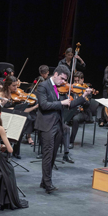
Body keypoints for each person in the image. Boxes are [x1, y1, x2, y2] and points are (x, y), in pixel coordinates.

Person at [35, 65, 91, 193]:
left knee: (53, 154)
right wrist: (61, 103)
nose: (63, 82)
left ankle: (44, 181)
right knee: (48, 154)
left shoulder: (59, 88)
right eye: (62, 78)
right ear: (55, 74)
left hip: (58, 125)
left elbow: (69, 105)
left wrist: (84, 96)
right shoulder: (43, 86)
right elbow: (43, 105)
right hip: (47, 125)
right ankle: (48, 184)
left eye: (65, 80)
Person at [0, 76, 39, 158]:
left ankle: (16, 151)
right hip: (3, 118)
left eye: (16, 85)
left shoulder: (17, 95)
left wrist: (35, 107)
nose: (16, 88)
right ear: (8, 85)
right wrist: (7, 106)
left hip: (13, 117)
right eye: (13, 85)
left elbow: (23, 111)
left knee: (23, 123)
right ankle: (7, 148)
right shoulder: (1, 94)